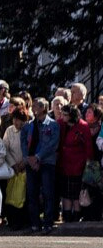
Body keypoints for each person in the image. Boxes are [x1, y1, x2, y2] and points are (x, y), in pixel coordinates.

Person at [20, 97, 60, 233]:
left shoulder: (53, 125)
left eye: (37, 106)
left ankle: (48, 223)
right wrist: (29, 158)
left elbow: (52, 144)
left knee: (48, 193)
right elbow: (24, 143)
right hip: (31, 164)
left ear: (43, 108)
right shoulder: (28, 125)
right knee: (32, 193)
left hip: (46, 163)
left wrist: (38, 157)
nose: (33, 108)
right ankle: (35, 223)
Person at [56, 103, 92, 223]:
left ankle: (76, 219)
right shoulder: (60, 124)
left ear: (72, 115)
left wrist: (87, 164)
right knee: (65, 194)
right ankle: (67, 218)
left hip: (77, 164)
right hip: (64, 164)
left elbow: (88, 147)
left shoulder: (83, 126)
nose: (62, 116)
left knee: (76, 195)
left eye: (65, 115)